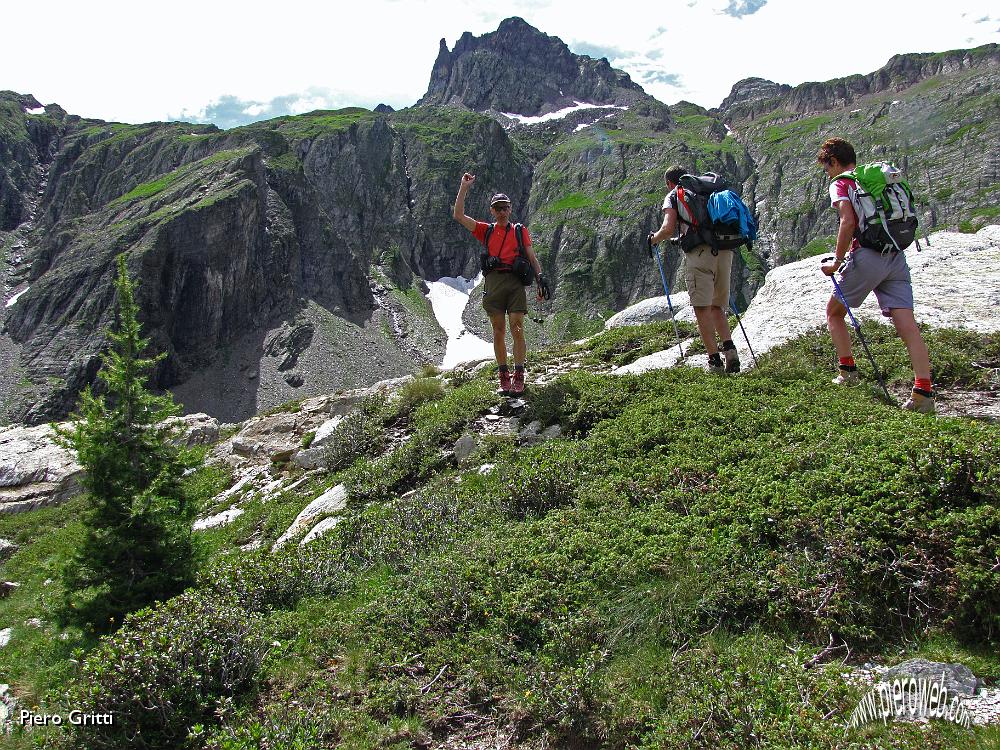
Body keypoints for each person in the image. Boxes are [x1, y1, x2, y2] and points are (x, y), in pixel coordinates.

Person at [817, 137, 934, 414]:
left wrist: (837, 261)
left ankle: (847, 372)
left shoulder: (842, 183)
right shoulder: (874, 180)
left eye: (826, 168)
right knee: (907, 323)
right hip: (896, 255)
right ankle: (923, 392)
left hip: (868, 256)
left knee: (834, 312)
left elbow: (848, 221)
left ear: (833, 162)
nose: (828, 174)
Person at [453, 172, 549, 394]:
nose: (502, 211)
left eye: (505, 207)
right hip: (494, 281)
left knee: (517, 326)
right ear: (492, 211)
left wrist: (540, 278)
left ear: (510, 209)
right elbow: (458, 215)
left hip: (515, 281)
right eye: (498, 208)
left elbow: (531, 257)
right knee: (498, 330)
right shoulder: (485, 230)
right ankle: (503, 374)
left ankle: (519, 373)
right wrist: (464, 187)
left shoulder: (519, 230)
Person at [649, 165, 739, 374]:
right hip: (725, 250)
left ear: (670, 183)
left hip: (700, 255)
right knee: (718, 306)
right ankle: (730, 351)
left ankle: (714, 362)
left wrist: (654, 239)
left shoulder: (674, 194)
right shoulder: (707, 189)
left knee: (702, 308)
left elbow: (668, 227)